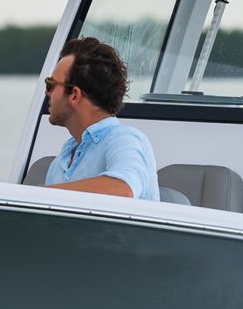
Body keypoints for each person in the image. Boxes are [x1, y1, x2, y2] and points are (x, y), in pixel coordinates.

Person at [41, 36, 158, 200]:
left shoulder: (124, 139)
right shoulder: (60, 162)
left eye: (51, 84)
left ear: (74, 95)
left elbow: (123, 189)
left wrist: (40, 195)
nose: (47, 92)